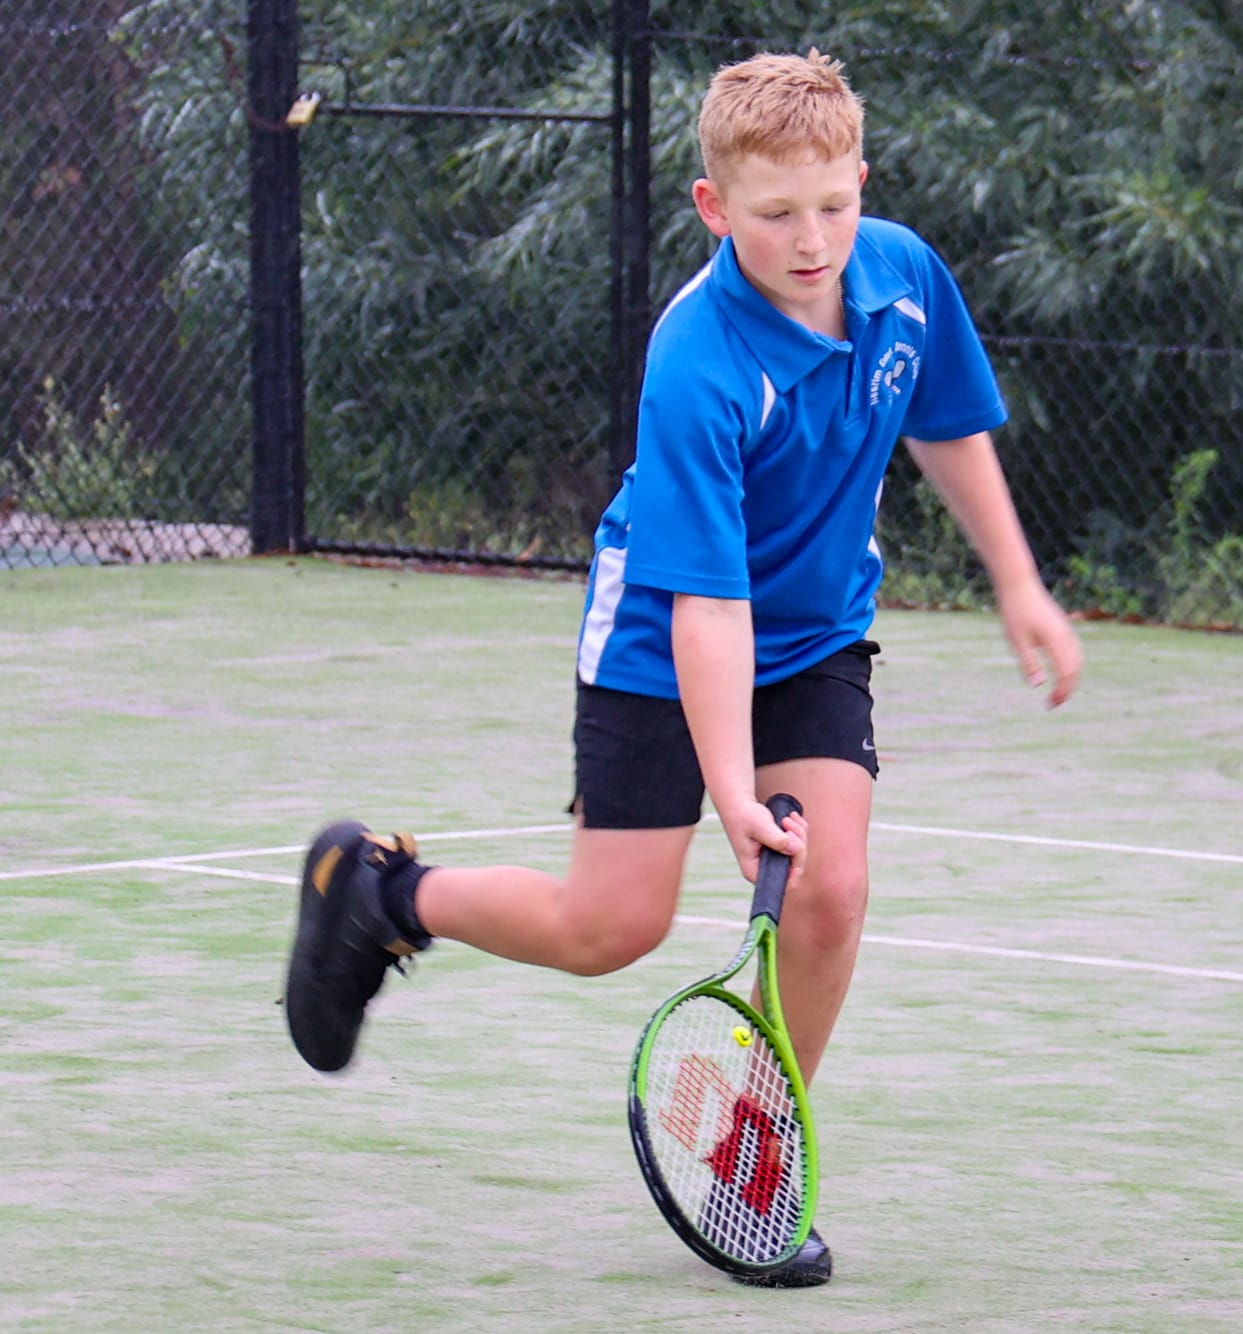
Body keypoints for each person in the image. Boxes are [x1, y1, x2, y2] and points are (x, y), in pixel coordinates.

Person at [282, 49, 1083, 1288]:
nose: (810, 238)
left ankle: (755, 1146)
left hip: (816, 634)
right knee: (611, 926)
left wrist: (1017, 579)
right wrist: (729, 789)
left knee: (831, 890)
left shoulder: (904, 276)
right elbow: (708, 606)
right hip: (664, 636)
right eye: (774, 215)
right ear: (715, 209)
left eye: (832, 204)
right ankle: (382, 895)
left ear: (859, 180)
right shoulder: (698, 357)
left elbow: (944, 419)